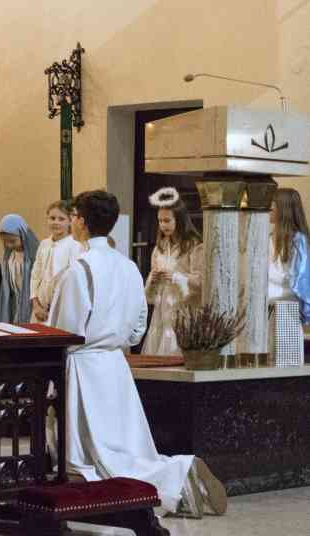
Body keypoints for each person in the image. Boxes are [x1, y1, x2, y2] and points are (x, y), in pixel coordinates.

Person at [48, 190, 226, 519]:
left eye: (73, 217)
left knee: (96, 460)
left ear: (82, 222)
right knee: (126, 448)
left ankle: (171, 478)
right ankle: (177, 473)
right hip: (116, 365)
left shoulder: (79, 270)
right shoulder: (128, 266)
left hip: (84, 366)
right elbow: (137, 326)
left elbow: (64, 332)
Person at [142, 187, 203, 356]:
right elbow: (150, 294)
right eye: (160, 221)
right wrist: (153, 279)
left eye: (167, 220)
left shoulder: (194, 245)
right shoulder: (159, 248)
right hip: (161, 314)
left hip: (183, 312)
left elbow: (201, 281)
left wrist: (176, 277)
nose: (163, 225)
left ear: (180, 219)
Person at [268, 188, 310, 354]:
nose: (269, 207)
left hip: (287, 312)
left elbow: (300, 280)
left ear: (283, 207)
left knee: (286, 361)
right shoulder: (268, 238)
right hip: (267, 311)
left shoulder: (298, 241)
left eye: (272, 203)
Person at [30, 200, 84, 323]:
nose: (56, 222)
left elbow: (71, 280)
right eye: (52, 218)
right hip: (39, 307)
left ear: (70, 221)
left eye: (61, 219)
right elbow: (35, 275)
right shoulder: (44, 244)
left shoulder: (74, 246)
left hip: (60, 308)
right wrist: (36, 304)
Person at [0, 214, 39, 323]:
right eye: (5, 242)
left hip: (30, 304)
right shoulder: (9, 256)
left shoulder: (34, 255)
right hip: (14, 304)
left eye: (13, 241)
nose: (9, 245)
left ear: (23, 235)